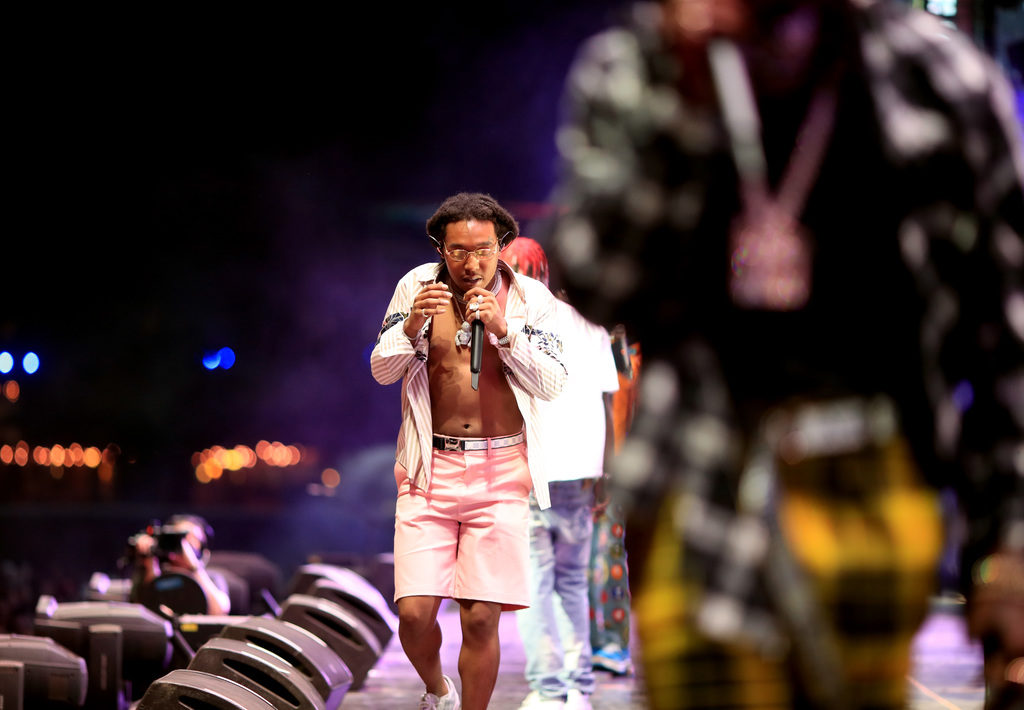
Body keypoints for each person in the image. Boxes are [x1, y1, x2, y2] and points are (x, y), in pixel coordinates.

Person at [545, 1, 1024, 708]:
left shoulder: (937, 79)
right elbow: (597, 283)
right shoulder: (642, 67)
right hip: (700, 471)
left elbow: (1001, 341)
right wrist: (686, 104)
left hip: (877, 476)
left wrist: (1006, 550)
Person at [370, 193, 567, 710]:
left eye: (483, 249)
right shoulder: (415, 287)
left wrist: (505, 332)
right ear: (441, 247)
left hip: (502, 470)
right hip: (427, 468)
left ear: (501, 245)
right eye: (458, 251)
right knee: (413, 613)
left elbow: (553, 382)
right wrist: (411, 327)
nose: (471, 263)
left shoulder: (531, 300)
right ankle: (438, 692)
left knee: (481, 615)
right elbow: (381, 369)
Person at [502, 237, 619, 710]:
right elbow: (610, 399)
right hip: (583, 471)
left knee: (535, 585)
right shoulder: (589, 322)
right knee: (572, 581)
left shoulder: (511, 323)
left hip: (535, 471)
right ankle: (577, 689)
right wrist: (608, 469)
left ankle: (548, 691)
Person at [588, 325, 640, 677]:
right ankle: (593, 643)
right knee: (590, 561)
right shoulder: (587, 338)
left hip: (621, 467)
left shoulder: (629, 351)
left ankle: (612, 644)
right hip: (589, 466)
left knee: (609, 558)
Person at [127, 513, 231, 616]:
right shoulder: (153, 573)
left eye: (192, 538)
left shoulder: (211, 578)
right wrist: (150, 561)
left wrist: (194, 568)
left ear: (203, 547)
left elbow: (219, 611)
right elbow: (143, 612)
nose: (184, 543)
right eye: (178, 537)